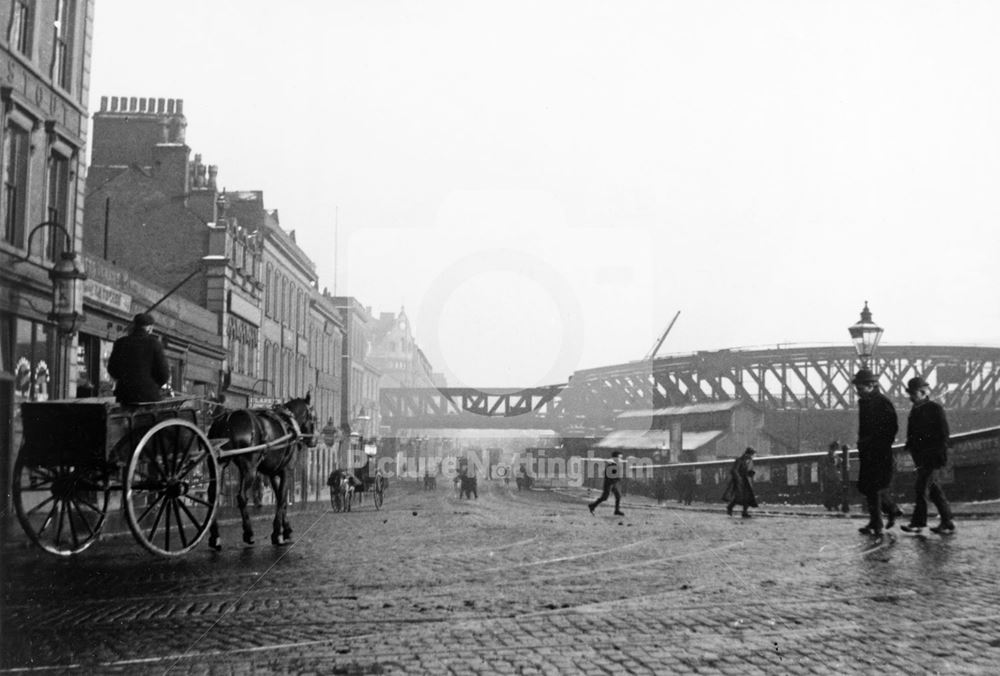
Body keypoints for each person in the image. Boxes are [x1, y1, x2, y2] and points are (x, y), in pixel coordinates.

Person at [900, 377, 956, 535]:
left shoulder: (934, 408)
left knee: (921, 488)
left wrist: (939, 453)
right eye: (910, 393)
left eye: (913, 393)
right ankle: (947, 521)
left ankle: (918, 523)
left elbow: (943, 433)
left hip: (932, 457)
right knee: (933, 489)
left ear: (923, 392)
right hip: (921, 456)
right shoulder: (917, 408)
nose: (911, 396)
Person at [853, 369, 902, 536]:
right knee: (867, 487)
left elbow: (892, 427)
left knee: (874, 487)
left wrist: (879, 443)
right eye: (857, 388)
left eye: (860, 388)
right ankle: (891, 510)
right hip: (868, 451)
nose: (857, 392)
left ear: (871, 385)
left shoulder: (882, 402)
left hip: (879, 452)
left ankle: (877, 523)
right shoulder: (865, 402)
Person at [106, 312, 171, 404]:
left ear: (134, 326)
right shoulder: (154, 344)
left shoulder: (120, 343)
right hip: (148, 396)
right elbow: (164, 374)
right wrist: (152, 385)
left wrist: (125, 381)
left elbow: (112, 369)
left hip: (125, 395)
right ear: (149, 328)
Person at [723, 447, 758, 518]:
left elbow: (749, 470)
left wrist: (751, 473)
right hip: (740, 481)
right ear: (748, 454)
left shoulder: (750, 461)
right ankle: (730, 507)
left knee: (747, 497)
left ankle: (744, 512)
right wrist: (739, 478)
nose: (752, 456)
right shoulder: (739, 460)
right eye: (752, 454)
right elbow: (734, 470)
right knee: (739, 496)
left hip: (747, 481)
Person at [588, 451, 624, 516]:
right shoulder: (611, 464)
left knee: (618, 496)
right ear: (615, 458)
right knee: (605, 497)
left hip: (614, 483)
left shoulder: (616, 464)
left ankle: (617, 510)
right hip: (609, 483)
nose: (620, 459)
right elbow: (608, 474)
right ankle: (592, 506)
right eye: (619, 457)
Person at [821, 441, 843, 511]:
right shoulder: (829, 456)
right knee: (832, 491)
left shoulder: (835, 456)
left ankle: (834, 504)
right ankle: (831, 505)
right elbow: (826, 467)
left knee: (835, 491)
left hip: (834, 476)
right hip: (831, 476)